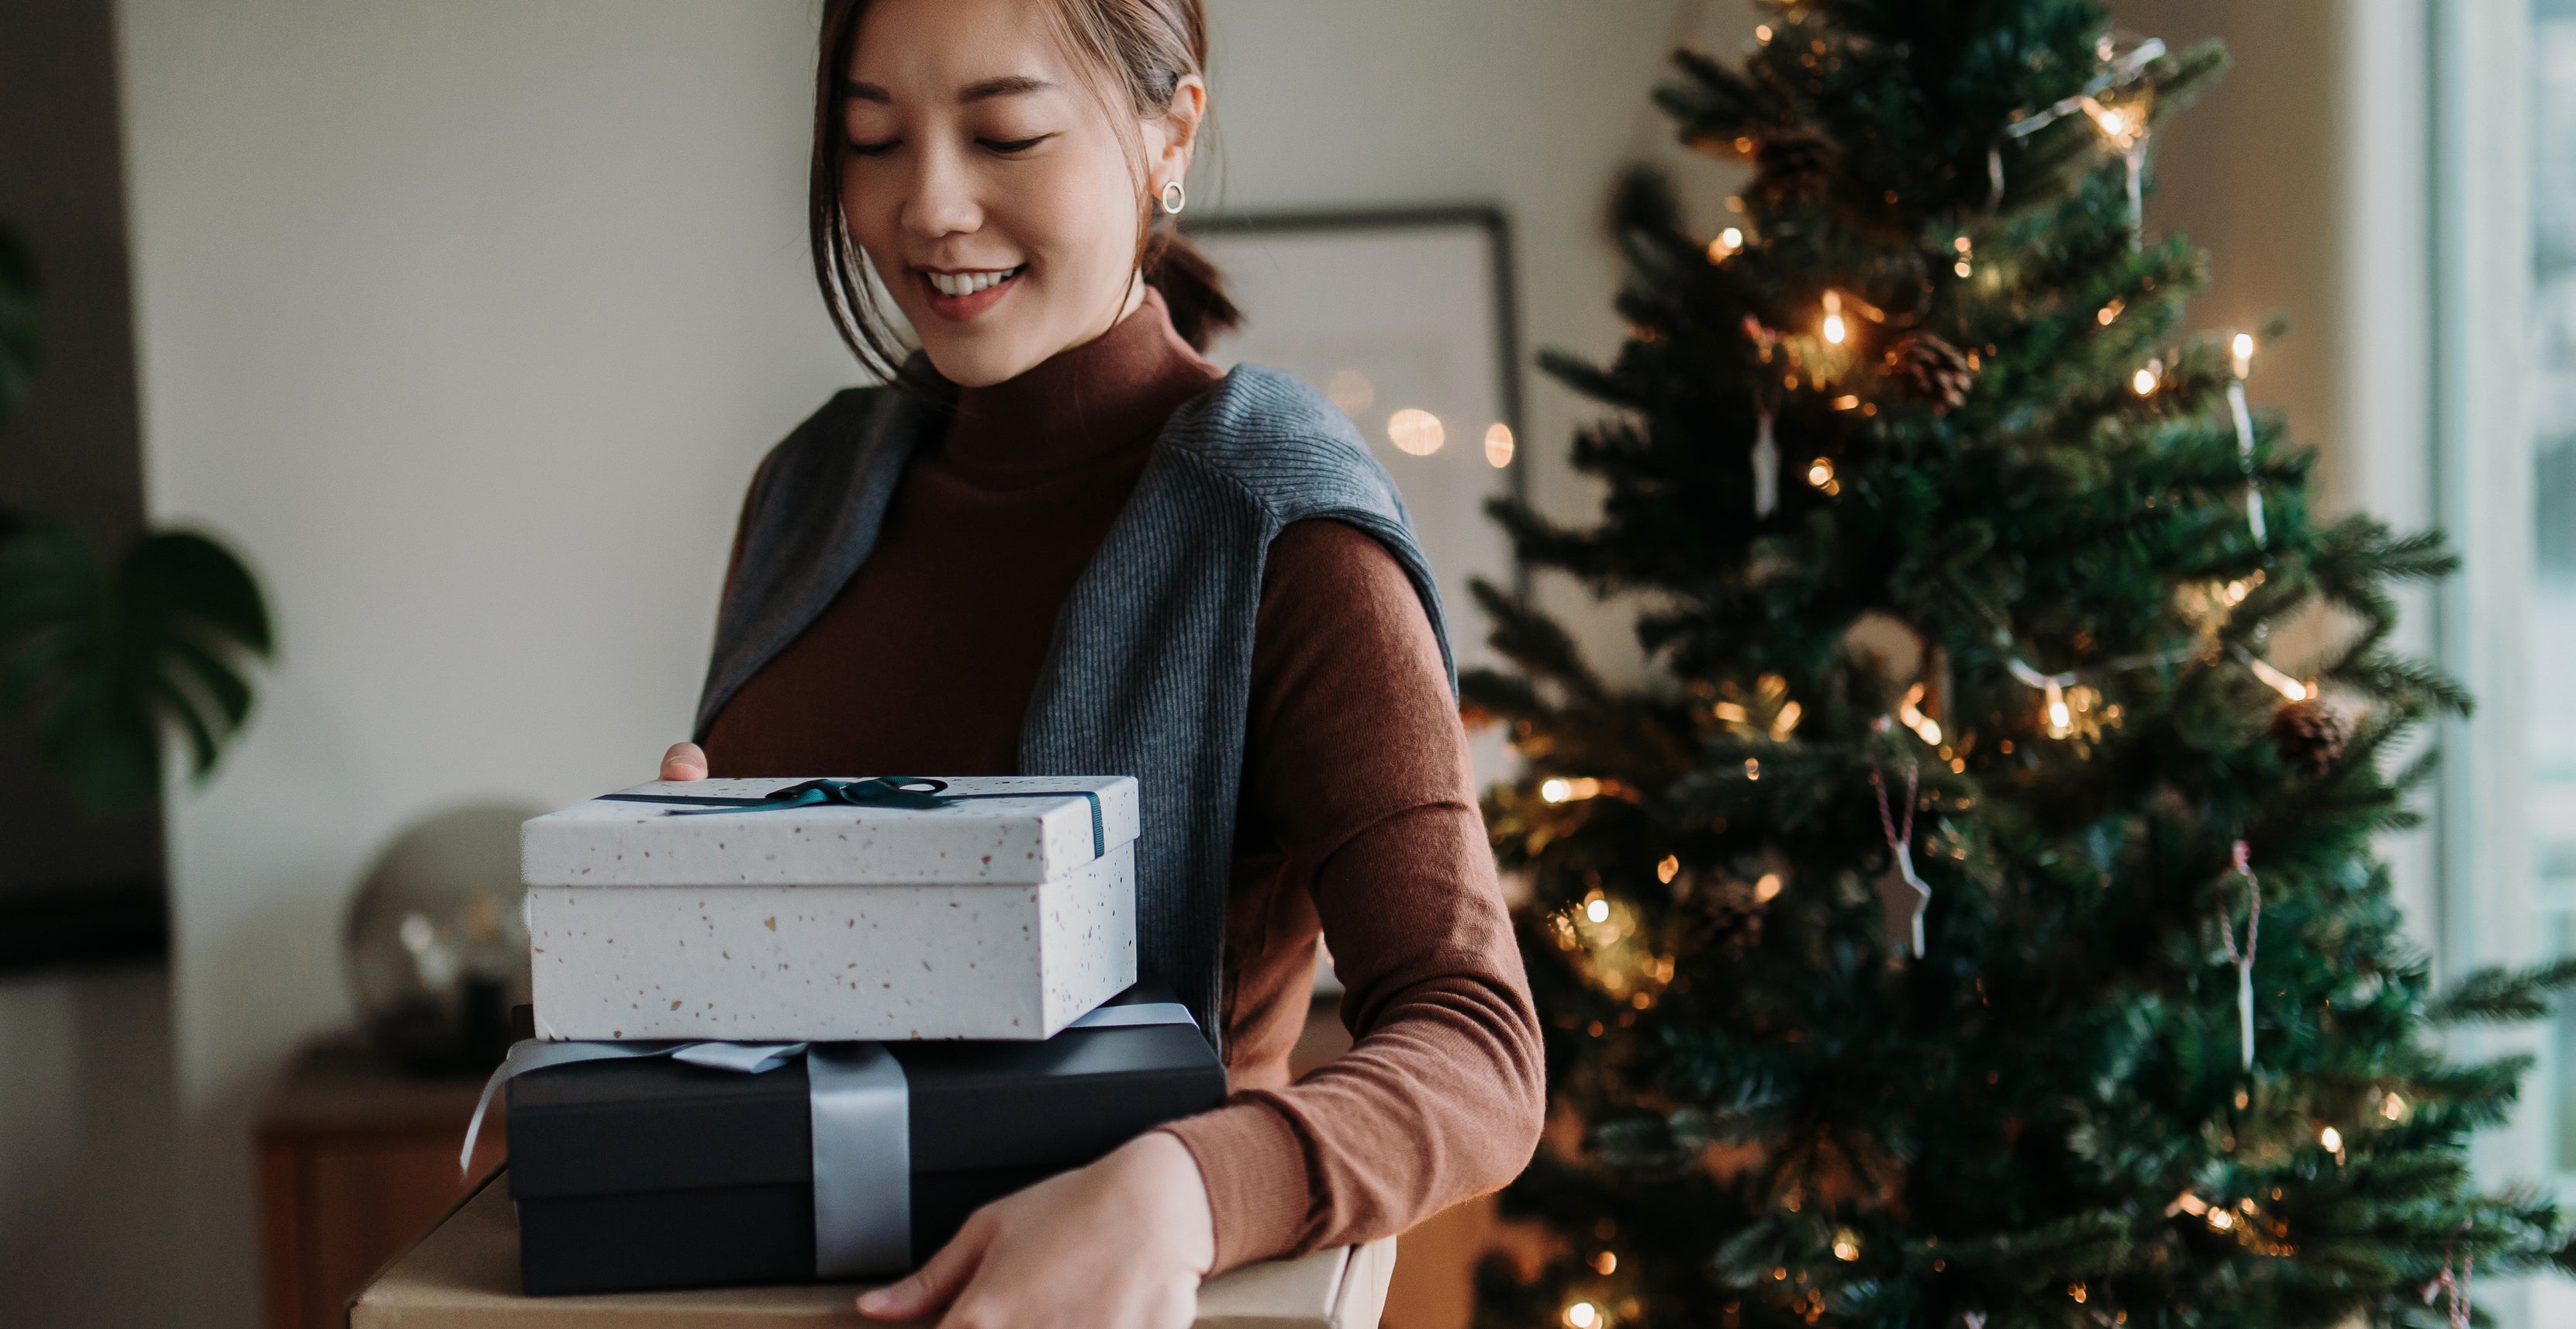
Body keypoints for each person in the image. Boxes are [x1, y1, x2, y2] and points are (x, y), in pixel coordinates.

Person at [654, 2, 1544, 1325]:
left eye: (1004, 134)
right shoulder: (808, 489)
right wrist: (676, 902)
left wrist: (1184, 1189)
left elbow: (1477, 1043)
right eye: (871, 138)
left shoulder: (1277, 527)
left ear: (1167, 131)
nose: (929, 207)